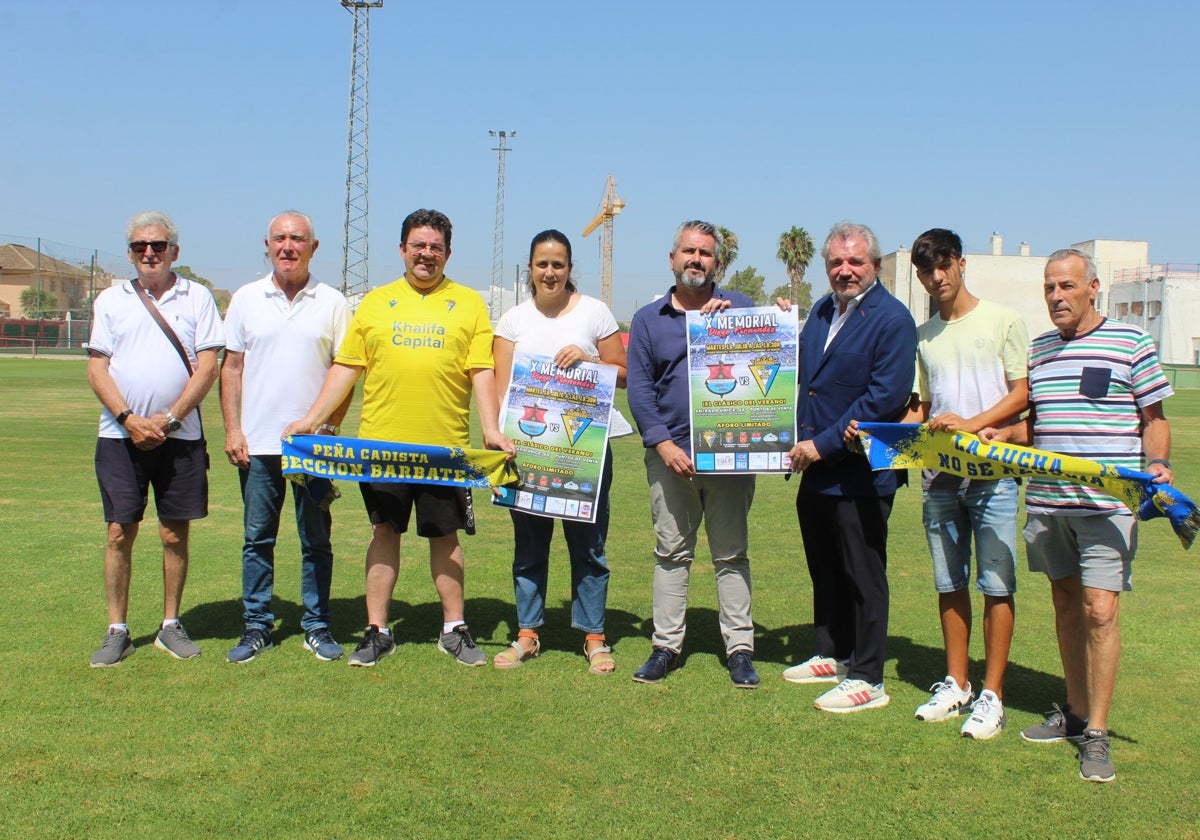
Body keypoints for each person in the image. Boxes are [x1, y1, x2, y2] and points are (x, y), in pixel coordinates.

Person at [283, 209, 514, 668]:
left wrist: (490, 430)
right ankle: (377, 630)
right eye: (418, 245)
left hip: (443, 452)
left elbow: (481, 370)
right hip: (382, 449)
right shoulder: (373, 302)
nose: (426, 254)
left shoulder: (469, 303)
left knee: (444, 536)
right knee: (383, 531)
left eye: (435, 247)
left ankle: (454, 628)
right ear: (402, 249)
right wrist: (312, 419)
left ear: (448, 253)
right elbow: (347, 366)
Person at [980, 248, 1173, 782]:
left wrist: (1158, 462)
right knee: (1065, 605)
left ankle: (1097, 733)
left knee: (1100, 610)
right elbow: (1036, 427)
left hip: (1106, 507)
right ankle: (1075, 711)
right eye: (1048, 288)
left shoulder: (1132, 342)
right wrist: (1003, 434)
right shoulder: (1038, 352)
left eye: (1066, 286)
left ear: (1093, 288)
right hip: (1047, 504)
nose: (1056, 297)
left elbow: (1153, 419)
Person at [785, 221, 917, 711]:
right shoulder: (820, 311)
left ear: (875, 266)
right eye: (837, 263)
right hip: (815, 467)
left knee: (863, 572)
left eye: (855, 262)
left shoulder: (893, 319)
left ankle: (867, 676)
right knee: (825, 567)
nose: (845, 271)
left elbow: (883, 398)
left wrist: (820, 444)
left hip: (862, 470)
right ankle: (832, 652)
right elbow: (802, 376)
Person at [903, 228, 1028, 738]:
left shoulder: (1004, 320)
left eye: (944, 266)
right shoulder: (923, 334)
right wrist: (877, 437)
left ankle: (992, 695)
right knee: (948, 583)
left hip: (993, 476)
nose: (937, 278)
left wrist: (972, 425)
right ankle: (957, 683)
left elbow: (1021, 395)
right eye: (927, 272)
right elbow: (922, 409)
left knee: (996, 585)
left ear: (961, 263)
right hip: (941, 480)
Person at [86, 210, 223, 666]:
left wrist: (167, 420)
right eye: (140, 247)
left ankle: (170, 624)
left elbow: (208, 367)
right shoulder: (111, 300)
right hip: (118, 435)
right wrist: (128, 419)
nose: (149, 253)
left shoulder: (197, 297)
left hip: (180, 437)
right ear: (130, 253)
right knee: (118, 532)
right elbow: (97, 367)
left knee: (172, 533)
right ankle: (117, 630)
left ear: (174, 252)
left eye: (158, 246)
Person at [626, 220, 760, 688]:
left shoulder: (742, 308)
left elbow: (776, 361)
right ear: (672, 258)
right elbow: (640, 391)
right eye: (688, 251)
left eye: (705, 253)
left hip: (730, 455)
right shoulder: (647, 318)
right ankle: (666, 647)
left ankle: (740, 649)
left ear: (717, 263)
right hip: (670, 459)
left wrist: (756, 321)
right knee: (671, 552)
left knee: (731, 554)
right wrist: (662, 444)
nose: (696, 259)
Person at [491, 229, 627, 674]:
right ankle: (528, 633)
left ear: (570, 269)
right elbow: (501, 387)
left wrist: (589, 361)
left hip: (584, 449)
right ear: (529, 268)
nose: (550, 272)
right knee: (529, 544)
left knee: (588, 544)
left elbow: (625, 374)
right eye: (542, 264)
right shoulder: (513, 320)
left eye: (558, 264)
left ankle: (593, 636)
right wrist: (498, 436)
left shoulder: (595, 313)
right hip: (526, 452)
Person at [220, 211, 352, 663]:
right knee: (258, 539)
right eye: (280, 238)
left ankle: (317, 624)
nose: (288, 246)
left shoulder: (333, 302)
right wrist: (233, 428)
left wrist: (329, 428)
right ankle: (257, 624)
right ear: (268, 244)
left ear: (314, 247)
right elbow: (232, 367)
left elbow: (345, 371)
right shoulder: (245, 299)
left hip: (312, 448)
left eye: (298, 239)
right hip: (258, 446)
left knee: (316, 538)